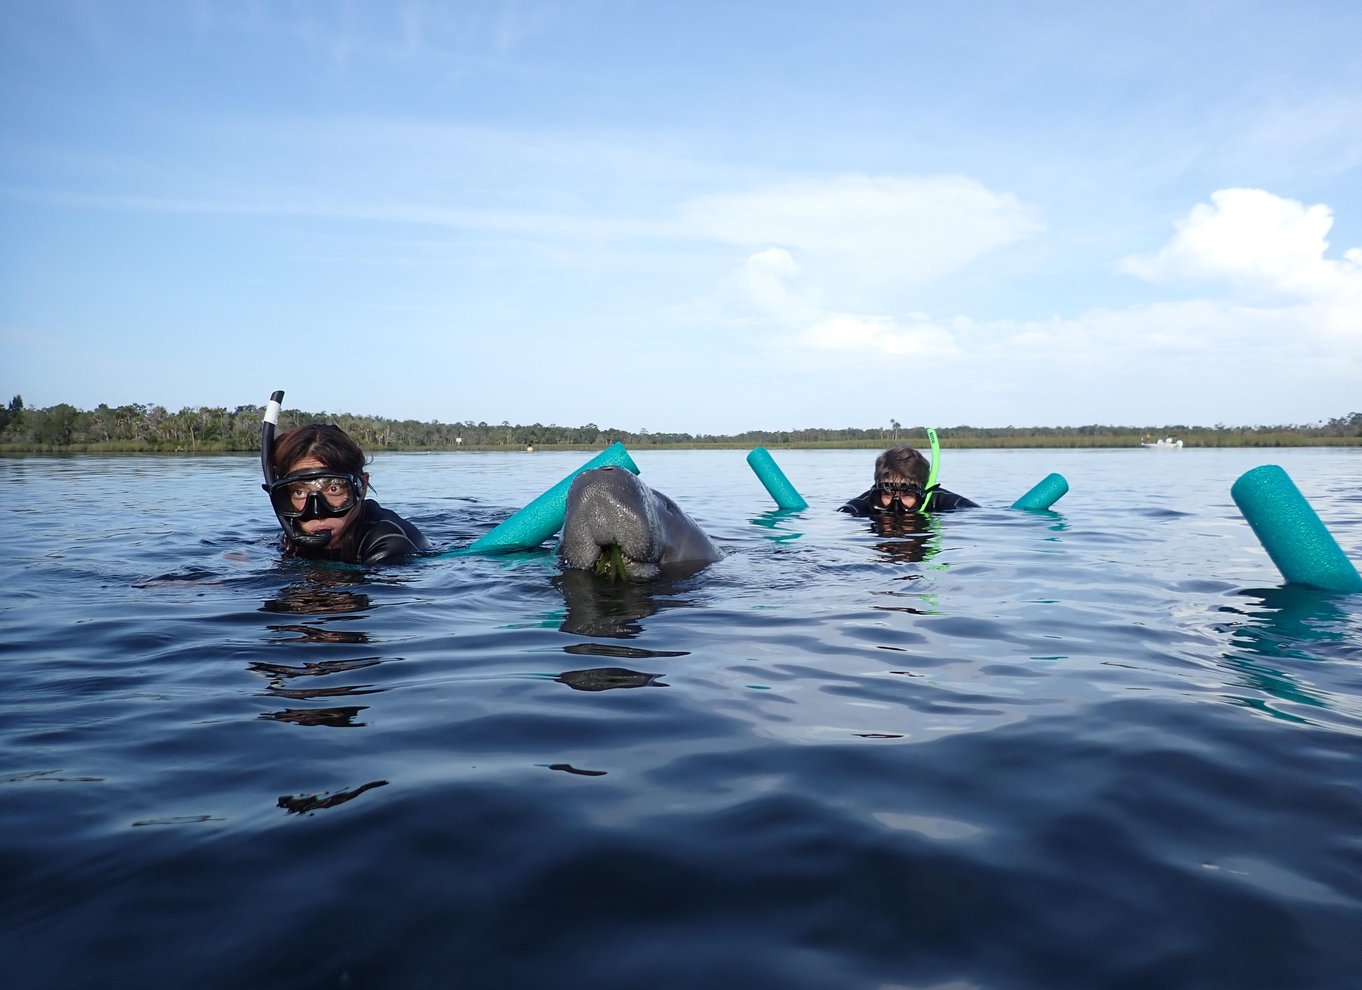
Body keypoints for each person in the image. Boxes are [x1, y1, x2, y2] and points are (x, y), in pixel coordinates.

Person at [265, 424, 430, 563]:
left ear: (362, 486)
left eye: (333, 489)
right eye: (299, 492)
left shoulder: (391, 545)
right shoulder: (291, 537)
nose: (317, 513)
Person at [839, 445, 978, 517]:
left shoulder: (938, 499)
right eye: (887, 494)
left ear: (923, 492)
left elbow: (974, 513)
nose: (896, 507)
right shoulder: (866, 502)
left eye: (907, 495)